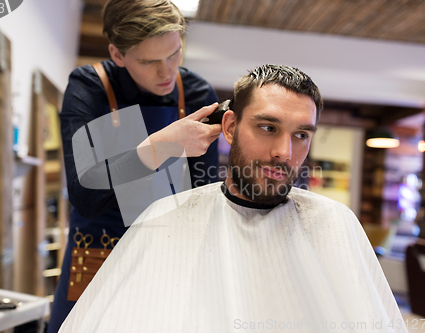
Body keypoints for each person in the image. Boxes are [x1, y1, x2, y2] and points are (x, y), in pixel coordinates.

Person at [58, 64, 407, 333]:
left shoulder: (334, 222)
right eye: (268, 128)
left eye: (301, 135)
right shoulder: (166, 217)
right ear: (228, 128)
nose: (284, 153)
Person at [47, 0, 222, 331]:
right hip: (98, 252)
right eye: (149, 61)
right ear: (117, 55)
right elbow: (86, 194)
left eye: (174, 54)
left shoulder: (196, 93)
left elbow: (204, 198)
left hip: (167, 258)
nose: (167, 71)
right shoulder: (91, 88)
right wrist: (162, 145)